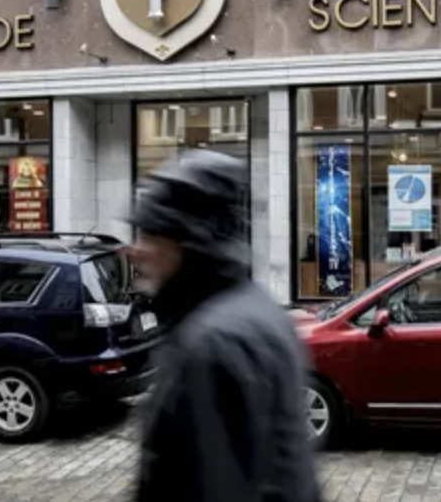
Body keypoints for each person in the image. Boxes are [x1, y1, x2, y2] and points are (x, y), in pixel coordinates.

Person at [125, 149, 320, 502]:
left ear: (187, 242)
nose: (135, 250)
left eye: (150, 236)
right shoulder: (261, 310)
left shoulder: (211, 343)